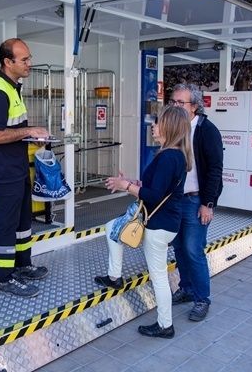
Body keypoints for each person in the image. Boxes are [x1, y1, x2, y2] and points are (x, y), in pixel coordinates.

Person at [95, 106, 192, 339]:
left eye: (158, 123)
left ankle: (165, 325)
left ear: (169, 127)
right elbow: (157, 187)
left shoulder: (168, 157)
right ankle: (114, 277)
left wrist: (126, 186)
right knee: (112, 229)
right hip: (165, 222)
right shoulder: (175, 155)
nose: (153, 126)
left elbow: (154, 195)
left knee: (158, 277)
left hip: (159, 225)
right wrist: (131, 182)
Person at [0, 38, 50, 297]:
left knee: (22, 223)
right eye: (24, 59)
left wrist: (31, 136)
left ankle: (22, 266)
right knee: (6, 226)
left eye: (29, 58)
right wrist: (29, 131)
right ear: (8, 62)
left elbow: (11, 131)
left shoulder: (13, 88)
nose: (29, 63)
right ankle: (5, 278)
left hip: (17, 169)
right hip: (3, 173)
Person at [169, 83, 224, 322]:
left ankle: (202, 299)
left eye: (181, 103)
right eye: (173, 102)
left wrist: (208, 203)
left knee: (193, 249)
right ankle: (187, 289)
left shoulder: (207, 130)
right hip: (175, 200)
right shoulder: (174, 128)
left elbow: (215, 170)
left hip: (196, 200)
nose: (175, 106)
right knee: (179, 248)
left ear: (194, 106)